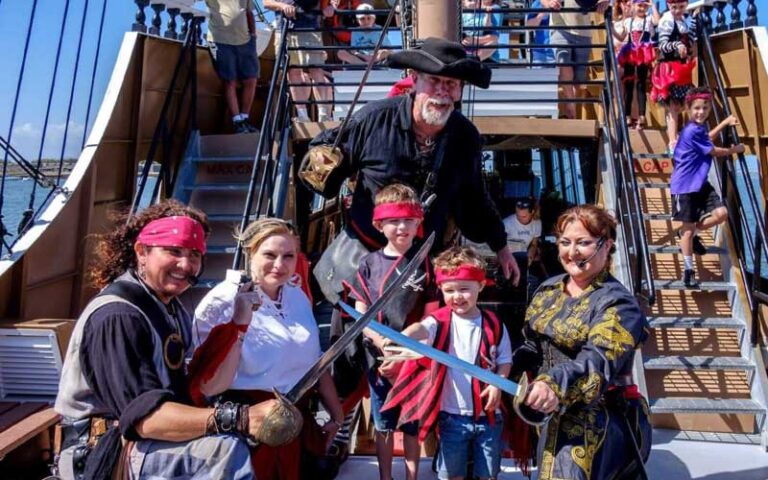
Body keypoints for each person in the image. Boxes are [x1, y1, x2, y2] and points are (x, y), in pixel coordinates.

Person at [54, 200, 292, 479]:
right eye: (173, 251)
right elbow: (144, 419)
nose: (185, 264)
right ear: (142, 252)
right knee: (224, 452)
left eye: (194, 254)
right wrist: (240, 418)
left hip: (141, 442)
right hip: (104, 452)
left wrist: (239, 325)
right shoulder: (118, 317)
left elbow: (195, 388)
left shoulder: (169, 307)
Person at [304, 37, 520, 297]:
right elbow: (322, 159)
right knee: (354, 335)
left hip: (421, 268)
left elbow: (474, 198)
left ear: (460, 89)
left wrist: (501, 247)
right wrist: (322, 159)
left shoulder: (466, 136)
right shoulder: (373, 119)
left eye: (451, 84)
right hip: (364, 262)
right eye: (434, 81)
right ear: (415, 80)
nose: (442, 91)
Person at [191, 217, 344, 480]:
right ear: (251, 252)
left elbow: (315, 363)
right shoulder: (224, 300)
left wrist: (336, 413)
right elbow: (204, 382)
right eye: (269, 255)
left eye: (288, 256)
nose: (279, 265)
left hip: (297, 425)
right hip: (246, 429)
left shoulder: (297, 297)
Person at [513, 204, 652, 480]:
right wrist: (504, 366)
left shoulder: (619, 303)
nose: (571, 252)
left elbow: (597, 361)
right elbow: (531, 346)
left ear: (607, 244)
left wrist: (552, 383)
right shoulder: (548, 289)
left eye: (583, 243)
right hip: (549, 414)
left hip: (600, 421)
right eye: (565, 242)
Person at [381, 246, 513, 480]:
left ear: (480, 286)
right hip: (452, 416)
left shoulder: (494, 324)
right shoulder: (439, 321)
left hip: (489, 417)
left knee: (488, 474)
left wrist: (497, 383)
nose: (457, 296)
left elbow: (504, 360)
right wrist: (401, 337)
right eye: (449, 290)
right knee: (451, 474)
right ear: (440, 289)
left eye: (464, 289)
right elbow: (421, 329)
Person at [343, 183, 439, 480]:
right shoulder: (368, 264)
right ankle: (386, 476)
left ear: (418, 223)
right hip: (378, 358)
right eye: (394, 221)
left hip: (413, 357)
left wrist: (410, 343)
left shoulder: (426, 263)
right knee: (383, 423)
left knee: (411, 423)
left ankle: (411, 476)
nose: (402, 227)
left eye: (409, 220)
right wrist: (381, 342)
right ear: (380, 224)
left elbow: (432, 315)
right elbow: (360, 310)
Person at [670, 87, 745, 287]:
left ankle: (692, 234)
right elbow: (713, 151)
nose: (700, 112)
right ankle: (688, 270)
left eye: (704, 108)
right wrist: (734, 150)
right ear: (688, 108)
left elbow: (708, 138)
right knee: (687, 230)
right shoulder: (692, 129)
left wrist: (724, 123)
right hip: (685, 186)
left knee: (721, 213)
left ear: (709, 108)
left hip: (700, 184)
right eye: (696, 108)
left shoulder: (699, 128)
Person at [264, 0, 336, 121]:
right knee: (292, 72)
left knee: (316, 70)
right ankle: (302, 115)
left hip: (310, 27)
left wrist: (333, 6)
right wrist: (283, 6)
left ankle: (323, 114)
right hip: (285, 29)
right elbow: (266, 3)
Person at [540, 0, 609, 119]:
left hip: (583, 31)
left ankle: (572, 108)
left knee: (579, 78)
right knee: (563, 62)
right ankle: (570, 106)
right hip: (560, 28)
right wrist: (549, 3)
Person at [206, 0, 260, 134]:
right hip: (221, 40)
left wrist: (253, 34)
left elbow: (249, 13)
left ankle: (245, 118)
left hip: (246, 41)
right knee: (230, 80)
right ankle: (237, 121)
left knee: (251, 79)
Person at [652, 0, 698, 153]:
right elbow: (662, 44)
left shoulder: (685, 21)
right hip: (669, 69)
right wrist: (676, 45)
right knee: (673, 105)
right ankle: (672, 141)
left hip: (682, 68)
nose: (678, 10)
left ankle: (684, 136)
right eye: (674, 7)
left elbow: (691, 41)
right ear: (669, 6)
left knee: (685, 103)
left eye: (681, 7)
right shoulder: (666, 21)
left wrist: (693, 26)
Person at [614, 0, 659, 129]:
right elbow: (622, 37)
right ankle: (627, 115)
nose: (642, 8)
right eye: (639, 5)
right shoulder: (629, 22)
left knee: (641, 84)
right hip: (630, 52)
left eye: (645, 6)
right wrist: (612, 30)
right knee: (628, 83)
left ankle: (641, 115)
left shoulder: (649, 19)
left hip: (643, 52)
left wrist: (653, 6)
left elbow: (657, 21)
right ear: (633, 6)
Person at [503, 197, 543, 298]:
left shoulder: (537, 224)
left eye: (524, 216)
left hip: (524, 256)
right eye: (518, 215)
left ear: (532, 212)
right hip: (508, 256)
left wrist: (530, 254)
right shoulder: (506, 223)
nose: (520, 218)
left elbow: (534, 244)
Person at [526, 0, 555, 65]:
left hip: (559, 52)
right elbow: (529, 26)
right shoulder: (537, 3)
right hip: (540, 53)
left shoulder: (564, 2)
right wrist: (543, 12)